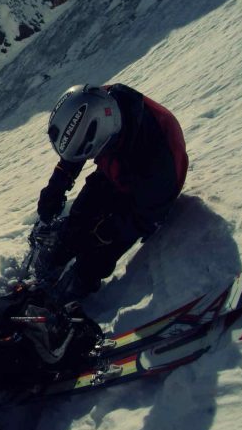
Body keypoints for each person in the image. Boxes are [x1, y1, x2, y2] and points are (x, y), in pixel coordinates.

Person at [36, 83, 188, 298]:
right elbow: (78, 141)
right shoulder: (99, 103)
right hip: (116, 169)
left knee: (99, 252)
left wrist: (106, 231)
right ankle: (62, 250)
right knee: (80, 215)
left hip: (144, 196)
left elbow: (145, 216)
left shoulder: (161, 163)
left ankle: (82, 279)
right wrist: (56, 186)